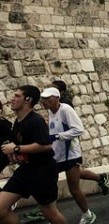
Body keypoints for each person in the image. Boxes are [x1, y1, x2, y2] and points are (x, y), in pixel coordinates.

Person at [0, 85, 66, 224]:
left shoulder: (35, 120)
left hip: (43, 171)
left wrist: (16, 149)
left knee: (49, 212)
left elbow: (46, 145)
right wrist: (15, 155)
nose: (12, 99)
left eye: (17, 96)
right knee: (1, 209)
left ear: (28, 100)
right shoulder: (17, 122)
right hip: (26, 171)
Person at [39, 87, 97, 224]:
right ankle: (53, 216)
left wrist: (58, 136)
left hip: (71, 154)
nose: (44, 101)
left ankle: (88, 214)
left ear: (57, 98)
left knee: (74, 188)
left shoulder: (66, 109)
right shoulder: (50, 111)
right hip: (56, 155)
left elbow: (78, 129)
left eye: (48, 98)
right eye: (43, 99)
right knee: (49, 186)